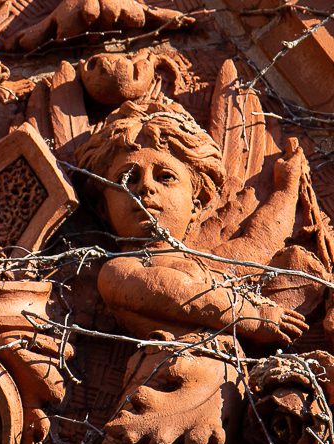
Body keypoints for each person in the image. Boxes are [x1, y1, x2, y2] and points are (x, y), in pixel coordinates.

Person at [76, 99, 310, 347]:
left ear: (196, 206)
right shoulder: (118, 271)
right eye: (128, 178)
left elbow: (259, 244)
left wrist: (286, 189)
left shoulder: (206, 265)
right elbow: (179, 294)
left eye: (165, 177)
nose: (145, 187)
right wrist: (255, 318)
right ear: (104, 209)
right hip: (171, 369)